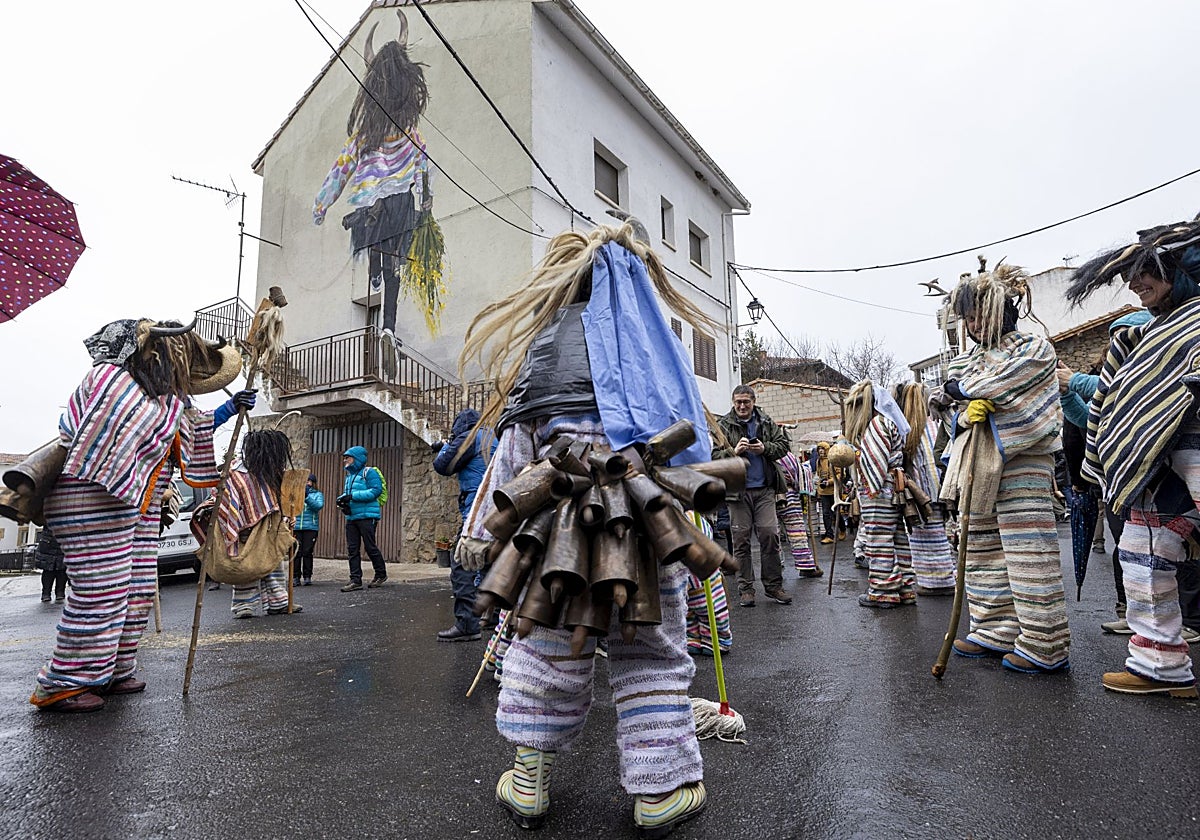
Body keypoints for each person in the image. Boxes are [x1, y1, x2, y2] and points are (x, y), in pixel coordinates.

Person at [457, 223, 711, 836]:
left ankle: (528, 783)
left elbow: (512, 461)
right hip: (645, 539)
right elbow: (686, 455)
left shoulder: (542, 359)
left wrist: (478, 535)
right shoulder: (654, 358)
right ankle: (659, 790)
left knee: (544, 647)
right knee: (648, 652)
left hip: (557, 542)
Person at [29, 318, 242, 712]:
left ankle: (111, 670)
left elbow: (192, 428)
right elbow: (116, 429)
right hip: (90, 491)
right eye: (178, 359)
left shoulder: (168, 401)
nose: (182, 371)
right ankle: (64, 683)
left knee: (139, 589)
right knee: (101, 591)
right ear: (151, 354)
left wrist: (230, 408)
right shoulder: (109, 380)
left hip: (139, 501)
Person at [1065, 217, 1200, 696]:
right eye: (1128, 274)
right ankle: (1159, 666)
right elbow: (1120, 397)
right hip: (1157, 472)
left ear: (1178, 265)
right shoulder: (1150, 332)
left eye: (1145, 270)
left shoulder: (1192, 320)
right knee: (1142, 556)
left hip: (1189, 456)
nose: (1133, 282)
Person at [940, 264, 1071, 674]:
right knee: (980, 547)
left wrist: (964, 393)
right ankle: (993, 629)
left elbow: (1001, 384)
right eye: (969, 319)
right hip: (976, 463)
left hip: (1022, 461)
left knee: (1027, 551)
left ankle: (1045, 643)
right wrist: (962, 413)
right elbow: (947, 396)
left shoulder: (1033, 347)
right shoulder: (968, 359)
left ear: (1003, 309)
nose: (974, 324)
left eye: (980, 314)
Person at [714, 385, 792, 608]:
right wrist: (733, 452)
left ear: (753, 402)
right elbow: (713, 456)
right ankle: (746, 589)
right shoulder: (723, 426)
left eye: (746, 402)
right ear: (733, 402)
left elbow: (783, 446)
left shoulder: (766, 421)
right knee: (741, 540)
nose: (742, 406)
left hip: (764, 490)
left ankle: (774, 586)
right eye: (738, 402)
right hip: (737, 492)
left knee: (769, 535)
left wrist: (764, 449)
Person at [844, 381, 914, 609]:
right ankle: (904, 589)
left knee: (878, 538)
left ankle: (883, 590)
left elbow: (874, 465)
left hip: (880, 490)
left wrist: (857, 463)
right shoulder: (889, 422)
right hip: (894, 488)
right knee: (898, 539)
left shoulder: (876, 425)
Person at [432, 407, 497, 642]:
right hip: (502, 507)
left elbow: (444, 466)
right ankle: (492, 615)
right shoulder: (492, 435)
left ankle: (467, 624)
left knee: (462, 563)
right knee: (491, 562)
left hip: (478, 508)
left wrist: (444, 448)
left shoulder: (468, 437)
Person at [892, 382, 956, 596]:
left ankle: (934, 582)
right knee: (939, 535)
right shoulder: (935, 424)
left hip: (921, 492)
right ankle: (944, 577)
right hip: (941, 487)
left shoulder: (906, 429)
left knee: (923, 536)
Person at [338, 446, 387, 592]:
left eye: (348, 457)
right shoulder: (349, 476)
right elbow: (348, 494)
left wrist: (352, 497)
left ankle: (381, 574)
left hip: (367, 517)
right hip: (352, 517)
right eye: (345, 458)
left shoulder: (369, 472)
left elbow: (375, 491)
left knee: (370, 546)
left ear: (357, 459)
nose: (345, 460)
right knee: (352, 549)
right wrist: (341, 501)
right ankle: (355, 580)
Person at [777, 451, 821, 577]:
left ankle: (776, 565)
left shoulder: (761, 454)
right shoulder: (787, 456)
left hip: (767, 497)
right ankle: (805, 565)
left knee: (772, 535)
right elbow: (797, 474)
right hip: (789, 495)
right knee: (797, 532)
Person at [293, 473, 323, 587]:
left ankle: (307, 576)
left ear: (313, 483)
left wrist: (306, 497)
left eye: (308, 481)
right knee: (296, 553)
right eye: (304, 481)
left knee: (307, 552)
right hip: (296, 527)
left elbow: (318, 506)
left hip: (311, 527)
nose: (306, 483)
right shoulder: (295, 494)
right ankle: (295, 577)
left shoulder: (317, 494)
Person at [813, 441, 838, 543]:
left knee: (836, 513)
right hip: (824, 492)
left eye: (822, 449)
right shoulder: (818, 461)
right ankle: (829, 535)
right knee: (825, 513)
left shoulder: (832, 460)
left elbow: (839, 475)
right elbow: (819, 475)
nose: (821, 451)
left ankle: (842, 529)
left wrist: (830, 482)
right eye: (819, 449)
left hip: (833, 491)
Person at [36, 527, 67, 604]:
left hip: (62, 540)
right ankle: (46, 592)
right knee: (48, 570)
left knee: (62, 570)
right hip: (49, 541)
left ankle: (59, 591)